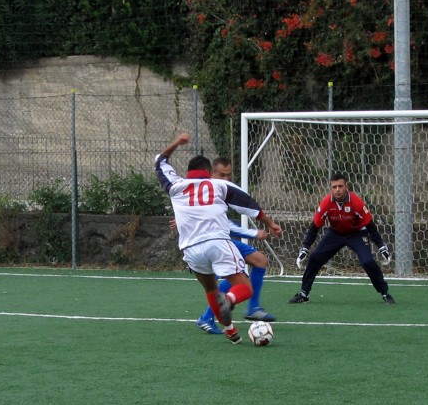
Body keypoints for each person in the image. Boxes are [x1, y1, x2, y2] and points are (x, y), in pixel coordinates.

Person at [156, 132, 282, 344]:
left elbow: (160, 160)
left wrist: (177, 142)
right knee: (244, 287)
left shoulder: (175, 186)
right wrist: (270, 224)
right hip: (218, 243)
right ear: (209, 173)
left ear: (188, 172)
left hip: (191, 250)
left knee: (211, 290)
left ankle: (231, 331)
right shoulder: (220, 186)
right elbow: (250, 207)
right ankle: (230, 299)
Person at [195, 157, 275, 335]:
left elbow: (229, 218)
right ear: (210, 174)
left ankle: (253, 307)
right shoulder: (208, 190)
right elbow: (226, 224)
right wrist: (255, 233)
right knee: (238, 277)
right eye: (221, 175)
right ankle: (206, 317)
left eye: (228, 175)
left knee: (260, 260)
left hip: (223, 239)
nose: (225, 180)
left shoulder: (219, 191)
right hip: (214, 243)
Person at [288, 172, 395, 305]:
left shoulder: (356, 202)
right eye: (334, 187)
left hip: (356, 234)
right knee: (315, 258)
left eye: (340, 186)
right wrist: (305, 247)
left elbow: (370, 226)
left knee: (367, 262)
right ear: (331, 188)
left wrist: (381, 246)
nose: (337, 189)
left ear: (346, 187)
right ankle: (304, 294)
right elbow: (314, 227)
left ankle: (384, 292)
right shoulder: (326, 203)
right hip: (335, 234)